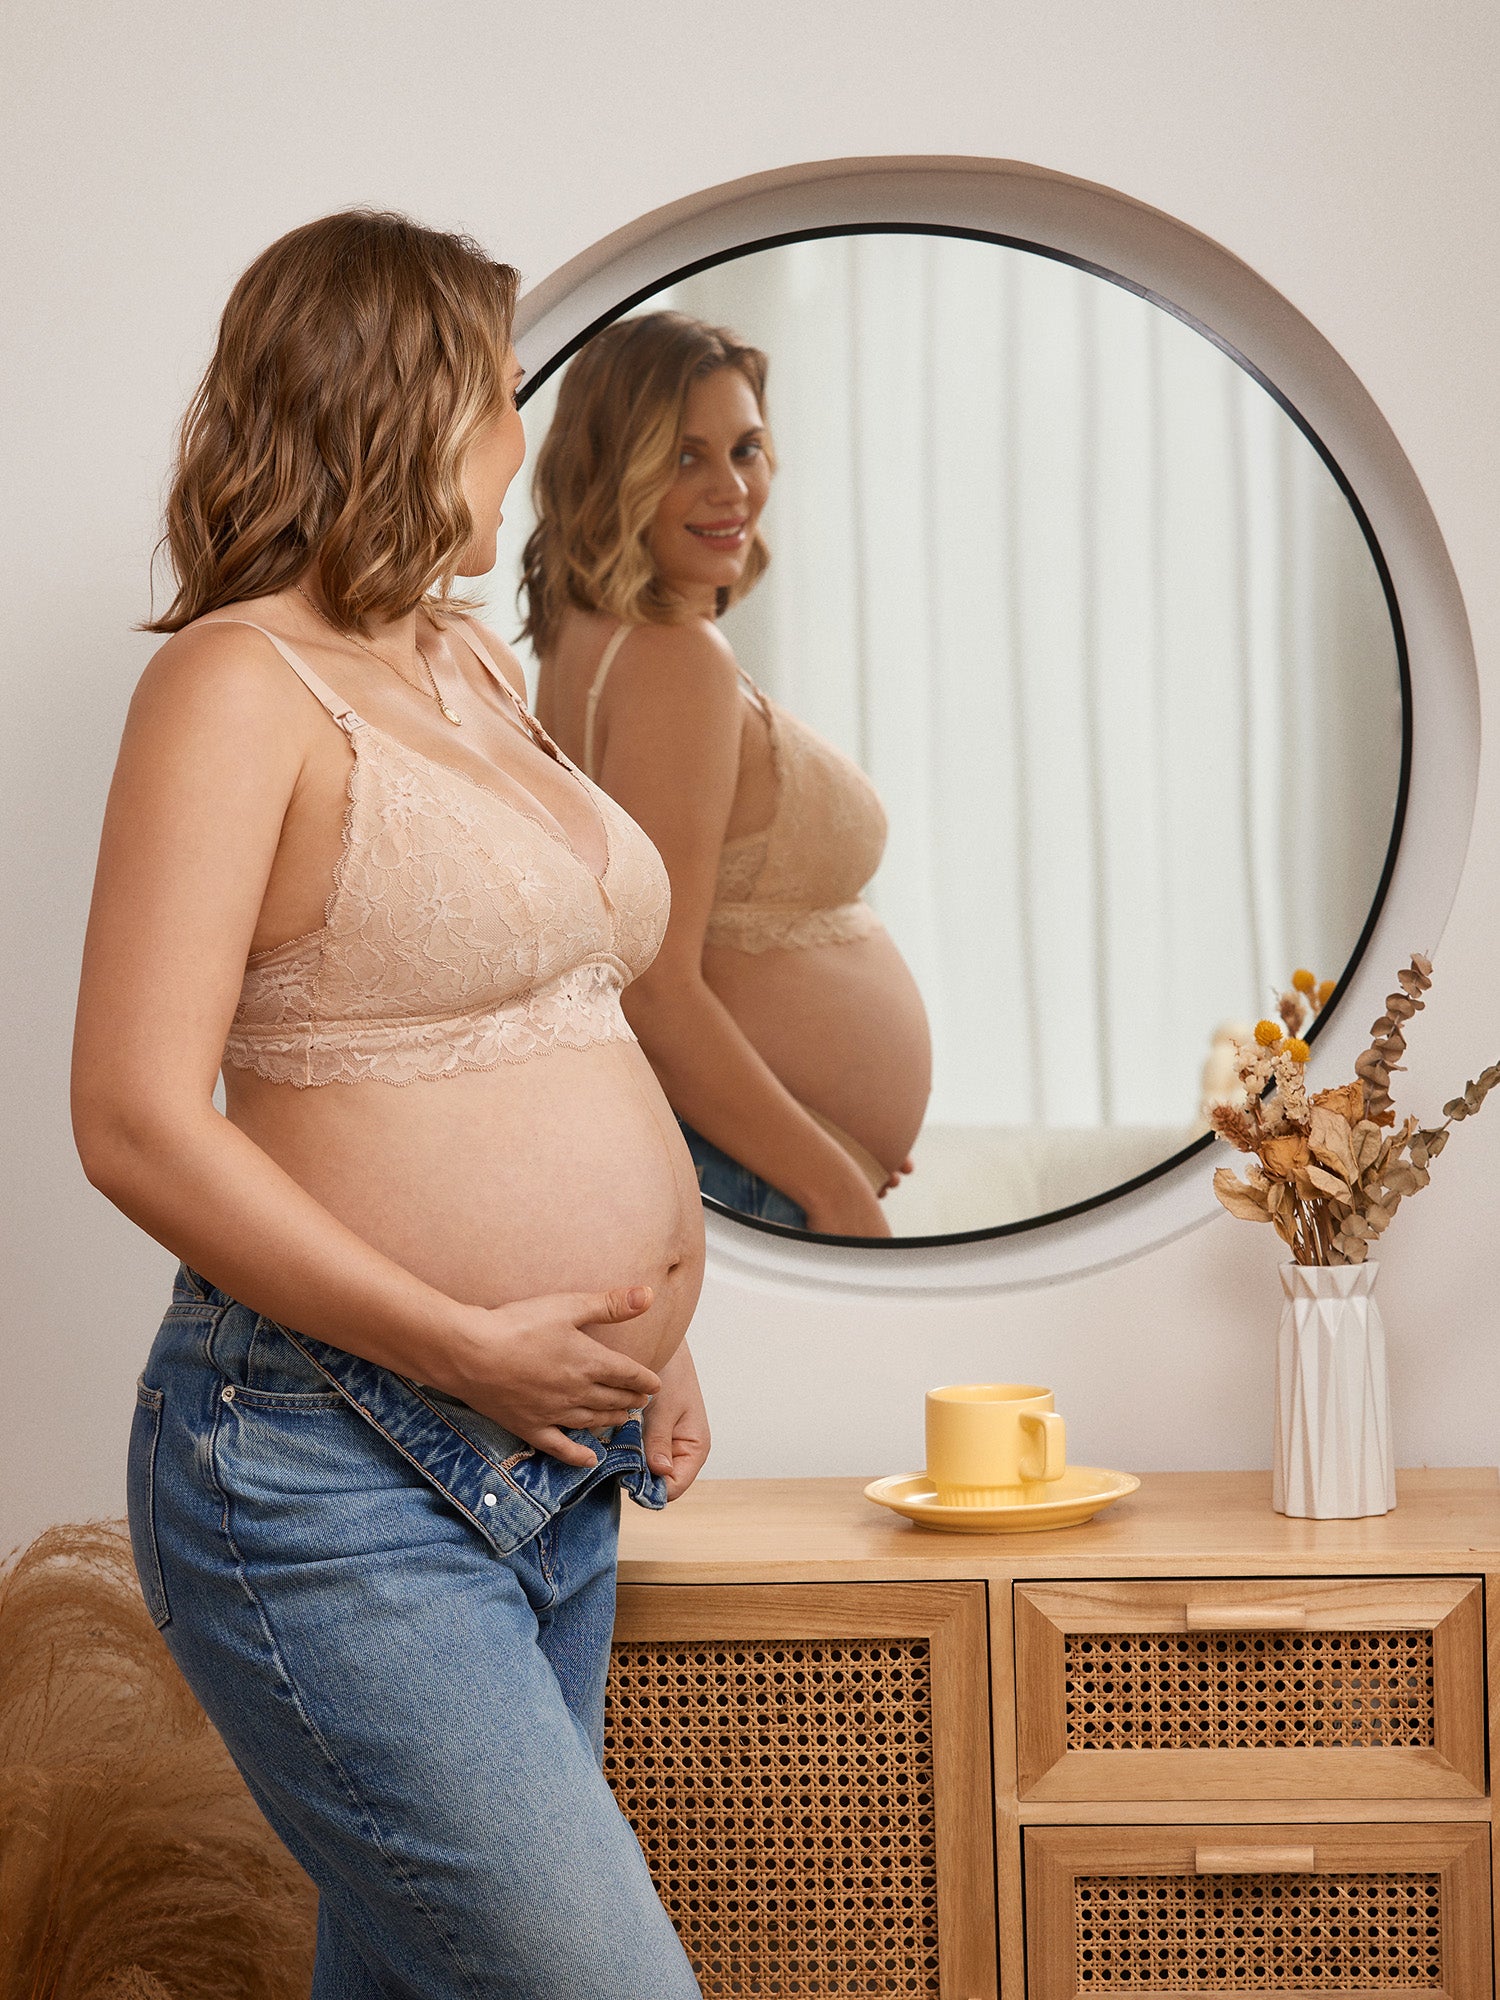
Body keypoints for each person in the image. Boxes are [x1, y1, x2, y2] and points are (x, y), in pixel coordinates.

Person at [71, 211, 706, 2000]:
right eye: (503, 395)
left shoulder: (465, 668)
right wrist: (465, 1340)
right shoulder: (227, 684)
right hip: (329, 1465)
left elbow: (558, 1010)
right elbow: (130, 1118)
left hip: (554, 1462)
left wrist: (658, 1322)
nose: (525, 432)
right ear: (413, 402)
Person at [522, 312, 932, 1239]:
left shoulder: (589, 640)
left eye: (746, 448)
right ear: (611, 469)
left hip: (745, 1155)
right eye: (682, 457)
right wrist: (831, 1181)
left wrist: (838, 1128)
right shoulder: (675, 660)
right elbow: (655, 987)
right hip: (738, 1168)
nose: (731, 487)